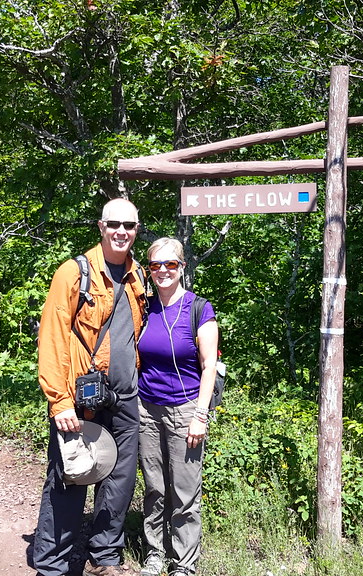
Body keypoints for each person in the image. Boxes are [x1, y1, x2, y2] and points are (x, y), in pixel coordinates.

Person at [32, 198, 147, 576]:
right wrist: (60, 400)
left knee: (118, 482)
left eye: (129, 226)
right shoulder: (73, 273)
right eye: (114, 223)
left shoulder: (138, 276)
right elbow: (51, 337)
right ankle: (52, 565)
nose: (121, 232)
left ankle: (105, 557)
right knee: (70, 479)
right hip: (81, 400)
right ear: (100, 226)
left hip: (126, 398)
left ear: (136, 229)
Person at [136, 237, 219, 576]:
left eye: (171, 264)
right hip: (146, 409)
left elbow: (209, 365)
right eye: (156, 265)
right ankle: (155, 553)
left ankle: (183, 563)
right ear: (149, 270)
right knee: (155, 487)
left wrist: (201, 415)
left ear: (182, 267)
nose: (163, 271)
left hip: (186, 409)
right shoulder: (144, 308)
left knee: (185, 490)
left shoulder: (200, 308)